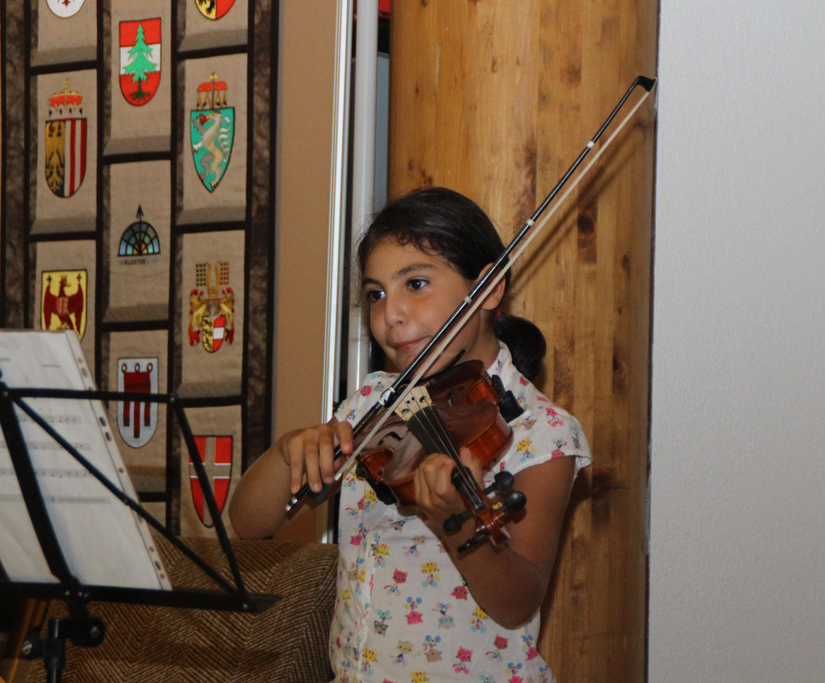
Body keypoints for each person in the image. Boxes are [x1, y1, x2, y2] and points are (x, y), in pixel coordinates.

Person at [229, 187, 590, 682]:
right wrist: (286, 453)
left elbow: (516, 602)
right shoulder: (370, 407)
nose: (391, 315)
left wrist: (457, 521)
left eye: (415, 284)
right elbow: (250, 523)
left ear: (487, 289)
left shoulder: (540, 430)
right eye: (375, 294)